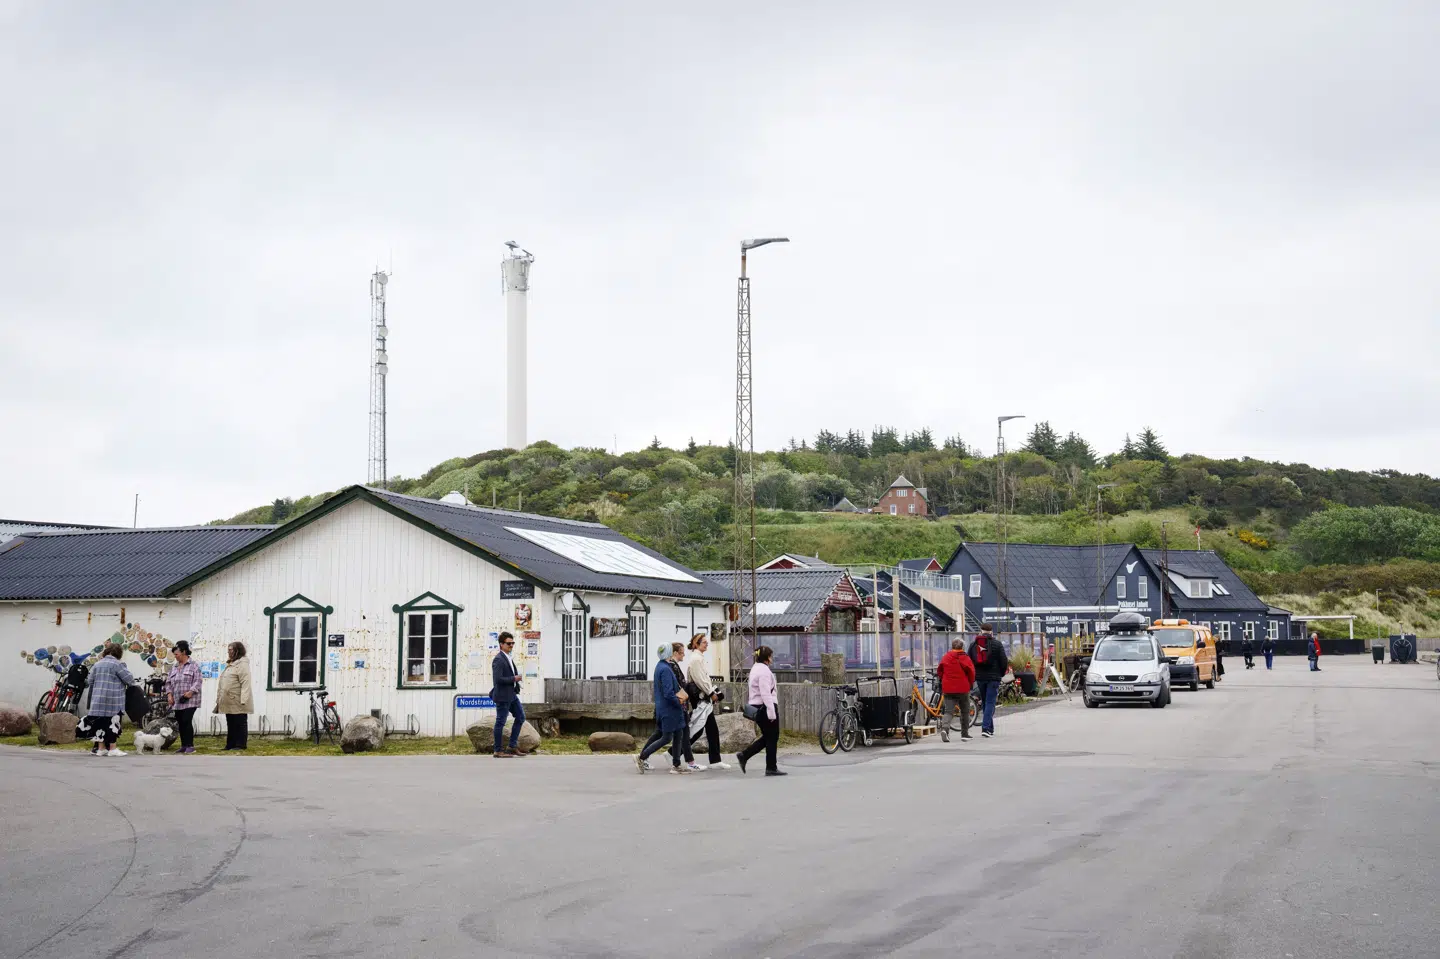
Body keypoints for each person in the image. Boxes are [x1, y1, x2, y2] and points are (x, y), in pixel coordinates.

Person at [637, 642, 690, 774]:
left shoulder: (660, 666)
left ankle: (676, 764)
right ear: (668, 653)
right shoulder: (666, 669)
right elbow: (668, 692)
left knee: (679, 733)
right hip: (670, 709)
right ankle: (642, 757)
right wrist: (679, 702)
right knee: (667, 737)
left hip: (666, 708)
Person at [82, 643, 137, 756]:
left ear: (106, 652)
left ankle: (101, 749)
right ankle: (112, 749)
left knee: (101, 724)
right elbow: (130, 680)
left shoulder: (97, 664)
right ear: (119, 653)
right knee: (113, 724)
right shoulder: (117, 664)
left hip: (98, 700)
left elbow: (90, 681)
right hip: (113, 700)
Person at [737, 645, 784, 776]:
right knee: (773, 736)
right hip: (765, 706)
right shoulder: (764, 671)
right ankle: (771, 767)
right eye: (771, 656)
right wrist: (771, 712)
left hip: (758, 706)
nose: (772, 658)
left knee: (769, 737)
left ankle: (745, 755)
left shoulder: (755, 669)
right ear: (767, 657)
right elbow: (765, 693)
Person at [685, 634, 730, 769]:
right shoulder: (696, 659)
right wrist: (711, 693)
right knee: (699, 729)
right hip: (701, 698)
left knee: (709, 729)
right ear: (696, 644)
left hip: (703, 697)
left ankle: (715, 760)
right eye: (704, 642)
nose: (706, 644)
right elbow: (700, 679)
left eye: (706, 642)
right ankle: (672, 753)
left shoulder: (698, 658)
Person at [968, 625, 1008, 739]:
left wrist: (974, 674)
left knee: (985, 702)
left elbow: (969, 660)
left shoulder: (974, 644)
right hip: (994, 678)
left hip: (980, 678)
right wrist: (1001, 673)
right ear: (991, 632)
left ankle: (990, 729)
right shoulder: (997, 644)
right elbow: (1003, 661)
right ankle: (985, 728)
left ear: (981, 631)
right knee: (990, 702)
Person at [490, 631, 526, 757]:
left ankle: (512, 746)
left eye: (512, 643)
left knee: (521, 717)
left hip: (511, 694)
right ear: (501, 644)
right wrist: (514, 679)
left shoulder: (508, 657)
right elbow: (498, 679)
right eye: (508, 643)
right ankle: (498, 750)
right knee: (500, 722)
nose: (511, 645)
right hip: (503, 696)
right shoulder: (499, 659)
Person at [214, 642, 253, 750]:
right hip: (229, 700)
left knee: (240, 722)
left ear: (238, 650)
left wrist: (244, 699)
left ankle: (240, 745)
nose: (229, 652)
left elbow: (245, 682)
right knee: (231, 723)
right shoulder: (231, 664)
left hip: (238, 699)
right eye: (228, 650)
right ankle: (230, 744)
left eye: (231, 650)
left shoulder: (242, 664)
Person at [936, 637, 976, 743]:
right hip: (963, 688)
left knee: (948, 711)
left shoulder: (946, 657)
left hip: (948, 688)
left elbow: (939, 671)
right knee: (965, 711)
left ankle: (945, 729)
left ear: (952, 646)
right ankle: (965, 734)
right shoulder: (965, 658)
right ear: (962, 647)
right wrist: (970, 683)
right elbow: (971, 672)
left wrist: (944, 679)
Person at [165, 640, 202, 754]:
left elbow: (198, 680)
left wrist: (190, 692)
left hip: (190, 700)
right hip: (177, 701)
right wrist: (169, 695)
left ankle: (190, 746)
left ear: (184, 652)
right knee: (180, 721)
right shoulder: (174, 667)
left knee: (186, 720)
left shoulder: (193, 665)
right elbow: (168, 682)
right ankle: (183, 745)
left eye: (177, 654)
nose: (175, 657)